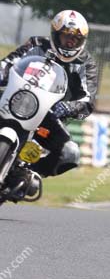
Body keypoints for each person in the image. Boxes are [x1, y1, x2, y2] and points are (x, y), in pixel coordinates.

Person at [0, 10, 97, 195]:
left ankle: (24, 175)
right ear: (55, 34)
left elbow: (88, 100)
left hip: (49, 113)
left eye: (75, 39)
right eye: (66, 36)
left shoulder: (86, 63)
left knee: (70, 153)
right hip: (16, 98)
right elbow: (8, 63)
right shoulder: (37, 44)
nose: (70, 42)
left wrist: (68, 107)